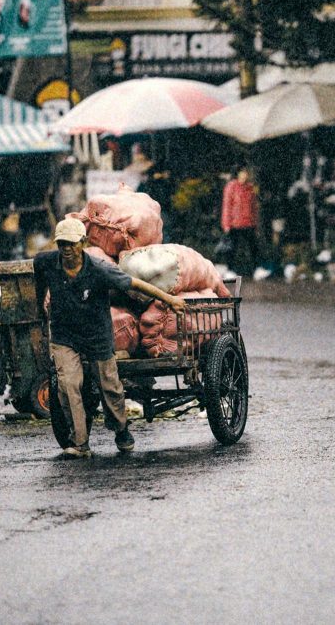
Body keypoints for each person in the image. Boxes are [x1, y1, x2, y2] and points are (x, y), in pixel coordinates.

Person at [34, 218, 185, 459]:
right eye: (61, 244)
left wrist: (169, 300)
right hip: (64, 334)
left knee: (109, 386)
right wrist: (40, 308)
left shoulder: (99, 269)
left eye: (71, 244)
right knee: (68, 384)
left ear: (83, 243)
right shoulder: (45, 262)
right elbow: (39, 283)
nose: (66, 249)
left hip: (97, 334)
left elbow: (135, 283)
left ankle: (121, 429)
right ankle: (80, 442)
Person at [221, 167, 259, 277]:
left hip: (248, 223)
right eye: (243, 173)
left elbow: (254, 207)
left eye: (247, 173)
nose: (245, 175)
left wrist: (255, 223)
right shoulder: (231, 187)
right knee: (232, 248)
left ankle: (256, 269)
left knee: (253, 247)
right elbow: (227, 206)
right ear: (238, 174)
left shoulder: (250, 188)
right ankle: (230, 269)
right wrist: (226, 224)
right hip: (234, 223)